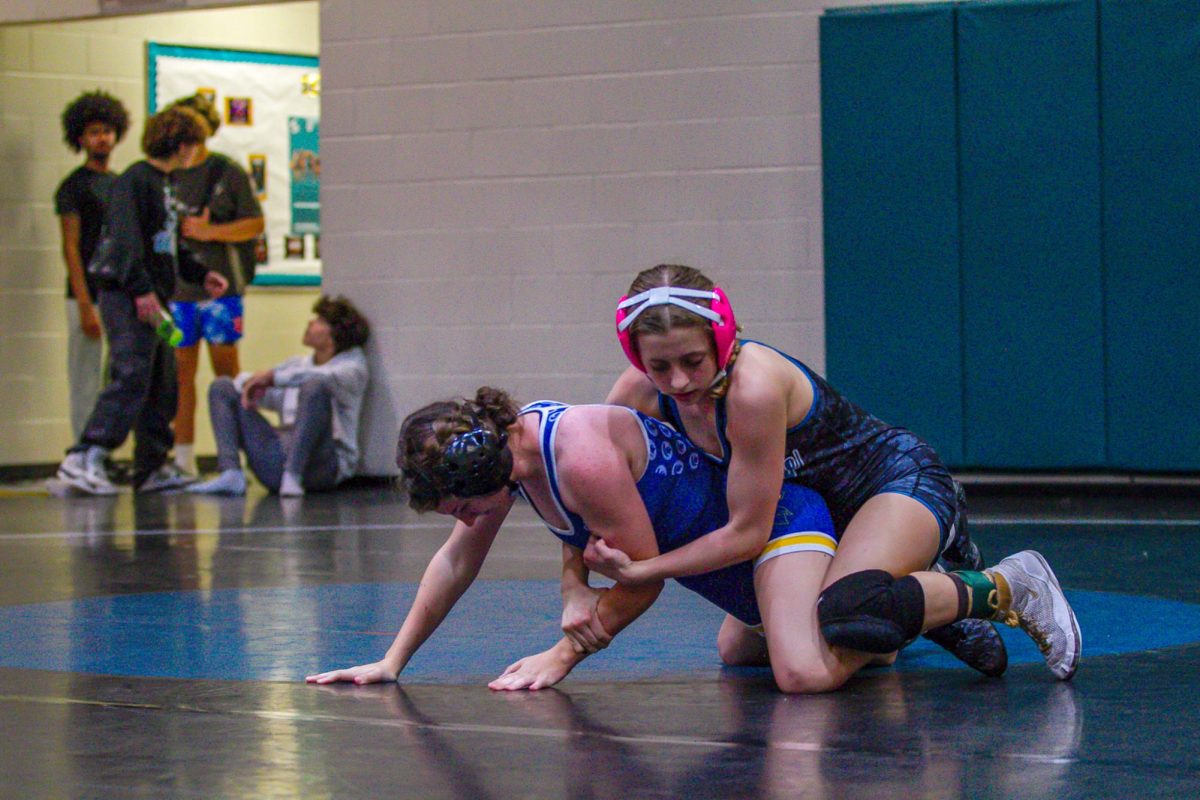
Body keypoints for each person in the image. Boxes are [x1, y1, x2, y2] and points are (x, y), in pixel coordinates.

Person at [306, 388, 1074, 693]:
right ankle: (897, 620)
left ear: (486, 467)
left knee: (802, 674)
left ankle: (994, 586)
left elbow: (640, 577)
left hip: (774, 530)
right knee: (740, 651)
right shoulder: (512, 453)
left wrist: (565, 651)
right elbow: (457, 562)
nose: (463, 522)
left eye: (458, 506)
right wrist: (392, 659)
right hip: (730, 568)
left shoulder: (582, 456)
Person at [582, 263, 1080, 687]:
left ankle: (1007, 585)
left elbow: (747, 532)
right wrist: (573, 588)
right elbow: (587, 487)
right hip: (816, 516)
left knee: (841, 618)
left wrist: (648, 570)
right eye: (660, 366)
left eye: (692, 361)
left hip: (890, 484)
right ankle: (905, 604)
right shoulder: (639, 395)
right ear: (637, 358)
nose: (680, 381)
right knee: (740, 647)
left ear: (721, 336)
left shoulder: (751, 389)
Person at [55, 106, 229, 496]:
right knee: (131, 373)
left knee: (161, 381)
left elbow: (166, 244)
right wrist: (141, 289)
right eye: (195, 145)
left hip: (154, 297)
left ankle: (151, 466)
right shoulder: (135, 180)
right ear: (182, 144)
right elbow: (125, 240)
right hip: (128, 296)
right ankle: (85, 455)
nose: (197, 154)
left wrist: (201, 274)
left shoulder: (166, 184)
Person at [165, 93, 265, 476]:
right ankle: (182, 461)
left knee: (227, 377)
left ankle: (232, 460)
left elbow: (254, 224)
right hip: (176, 294)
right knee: (180, 376)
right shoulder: (166, 175)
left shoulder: (228, 172)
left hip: (222, 295)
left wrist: (211, 232)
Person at [187, 295, 370, 497]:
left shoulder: (353, 368)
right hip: (278, 459)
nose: (310, 323)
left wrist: (273, 377)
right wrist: (250, 386)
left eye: (319, 321)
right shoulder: (296, 365)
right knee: (222, 386)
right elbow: (272, 387)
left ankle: (294, 474)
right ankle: (231, 472)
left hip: (323, 465)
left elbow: (318, 379)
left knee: (315, 387)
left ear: (334, 333)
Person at [54, 90, 130, 440]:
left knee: (114, 378)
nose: (102, 138)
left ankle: (103, 449)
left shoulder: (119, 184)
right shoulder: (72, 187)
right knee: (84, 376)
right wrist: (85, 304)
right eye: (94, 132)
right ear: (81, 138)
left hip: (117, 293)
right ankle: (82, 451)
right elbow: (70, 247)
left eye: (107, 131)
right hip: (85, 295)